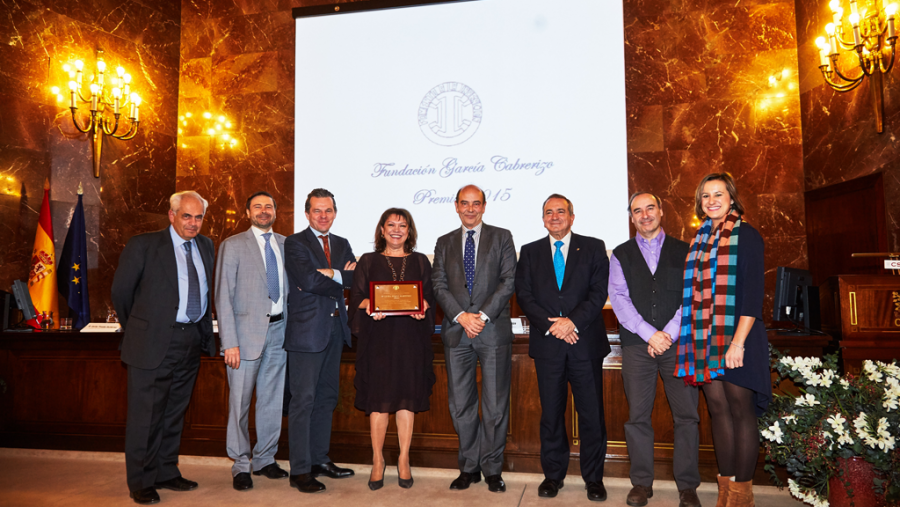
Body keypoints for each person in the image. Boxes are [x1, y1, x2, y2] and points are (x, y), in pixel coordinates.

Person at [112, 191, 216, 505]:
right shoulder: (143, 245)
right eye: (187, 216)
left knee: (174, 413)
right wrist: (142, 329)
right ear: (172, 215)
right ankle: (141, 481)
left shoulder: (206, 245)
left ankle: (166, 471)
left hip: (190, 340)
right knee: (146, 415)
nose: (193, 223)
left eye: (198, 217)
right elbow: (121, 293)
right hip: (152, 342)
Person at [674, 173, 770, 507]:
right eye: (705, 195)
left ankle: (742, 495)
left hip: (739, 338)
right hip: (706, 340)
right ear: (699, 202)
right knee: (718, 411)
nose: (712, 200)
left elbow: (752, 295)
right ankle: (726, 490)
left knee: (741, 411)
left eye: (718, 194)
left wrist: (737, 343)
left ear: (731, 198)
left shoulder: (747, 235)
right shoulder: (699, 239)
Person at [515, 194, 611, 502]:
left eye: (560, 211)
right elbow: (524, 295)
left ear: (572, 217)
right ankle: (553, 476)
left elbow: (598, 292)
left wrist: (572, 323)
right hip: (548, 345)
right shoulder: (529, 251)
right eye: (549, 212)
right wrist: (554, 326)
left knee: (591, 414)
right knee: (551, 414)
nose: (554, 216)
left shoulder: (593, 247)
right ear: (543, 218)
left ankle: (593, 479)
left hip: (585, 344)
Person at [609, 193, 700, 507]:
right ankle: (641, 484)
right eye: (638, 210)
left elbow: (691, 297)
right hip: (637, 345)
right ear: (631, 217)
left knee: (687, 416)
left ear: (661, 211)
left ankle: (687, 487)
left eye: (650, 208)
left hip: (678, 343)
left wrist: (667, 335)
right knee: (637, 417)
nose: (645, 215)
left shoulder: (685, 251)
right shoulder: (620, 254)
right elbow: (619, 300)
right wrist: (650, 335)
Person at [431, 185, 517, 493]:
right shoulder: (444, 242)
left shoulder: (502, 237)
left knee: (495, 405)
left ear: (484, 206)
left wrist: (480, 316)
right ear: (456, 206)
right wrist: (461, 316)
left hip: (491, 331)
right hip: (457, 332)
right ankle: (469, 467)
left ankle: (492, 468)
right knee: (461, 404)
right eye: (464, 203)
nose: (470, 209)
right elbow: (438, 284)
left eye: (476, 203)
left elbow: (508, 281)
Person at [348, 208, 436, 490]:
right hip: (379, 341)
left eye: (403, 225)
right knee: (379, 402)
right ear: (382, 230)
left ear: (409, 231)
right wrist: (371, 307)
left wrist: (423, 307)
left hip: (411, 340)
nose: (397, 230)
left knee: (407, 400)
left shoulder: (420, 261)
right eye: (391, 225)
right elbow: (357, 298)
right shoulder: (368, 260)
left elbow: (428, 297)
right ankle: (377, 460)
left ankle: (403, 459)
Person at [283, 188, 357, 494]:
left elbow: (356, 278)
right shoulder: (294, 242)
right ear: (307, 213)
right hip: (306, 333)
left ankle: (319, 460)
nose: (323, 216)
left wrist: (331, 274)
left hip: (336, 329)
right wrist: (339, 277)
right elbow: (308, 280)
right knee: (303, 401)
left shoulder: (342, 243)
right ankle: (300, 470)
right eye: (317, 210)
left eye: (328, 210)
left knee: (327, 398)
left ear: (335, 213)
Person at [215, 191, 290, 491]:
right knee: (240, 404)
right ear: (247, 212)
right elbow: (223, 295)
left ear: (276, 212)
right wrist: (229, 342)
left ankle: (265, 459)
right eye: (257, 207)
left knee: (272, 401)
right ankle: (241, 464)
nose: (263, 211)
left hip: (280, 332)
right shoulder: (233, 245)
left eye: (268, 206)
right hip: (243, 338)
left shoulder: (286, 244)